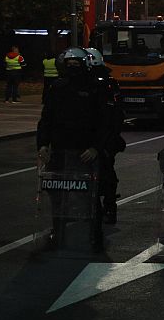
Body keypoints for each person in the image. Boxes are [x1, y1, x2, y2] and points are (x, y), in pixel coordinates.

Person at [36, 47, 113, 251]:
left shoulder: (96, 88)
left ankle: (94, 236)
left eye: (75, 64)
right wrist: (43, 144)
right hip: (60, 150)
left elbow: (105, 121)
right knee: (58, 195)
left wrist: (96, 147)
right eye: (68, 64)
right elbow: (47, 119)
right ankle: (57, 234)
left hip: (84, 152)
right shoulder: (57, 87)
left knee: (89, 195)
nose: (72, 68)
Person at [85, 48, 126, 225]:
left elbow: (113, 115)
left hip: (105, 139)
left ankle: (108, 207)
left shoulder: (106, 84)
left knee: (106, 174)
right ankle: (99, 207)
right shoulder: (84, 82)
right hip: (91, 138)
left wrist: (106, 142)